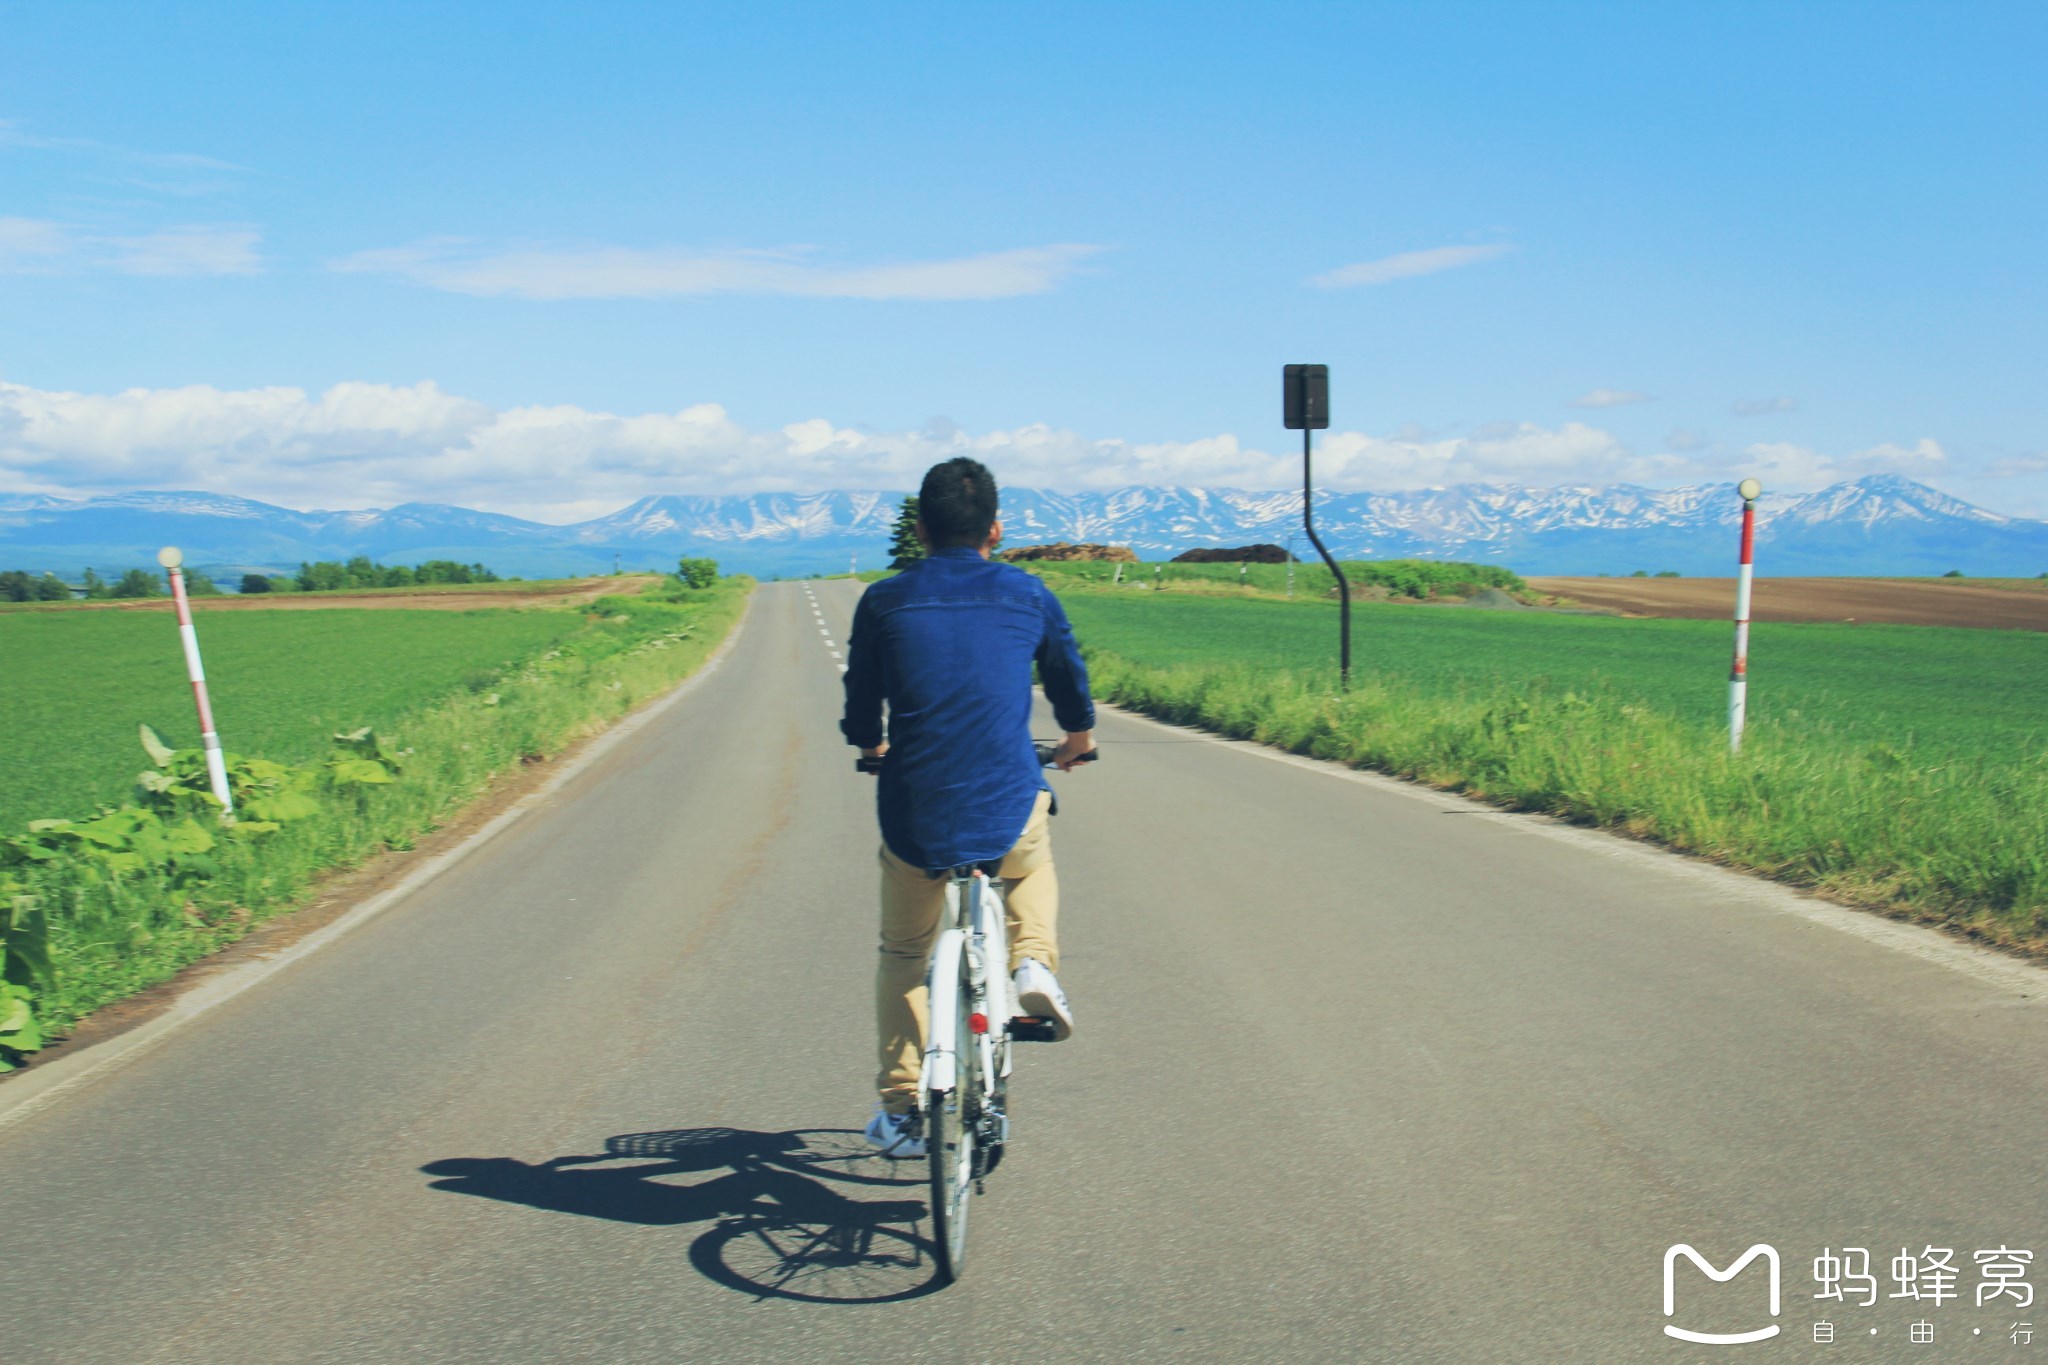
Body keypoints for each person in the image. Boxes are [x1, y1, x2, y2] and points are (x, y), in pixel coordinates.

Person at [841, 457, 1096, 1155]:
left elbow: (863, 698)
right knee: (1030, 862)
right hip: (1005, 799)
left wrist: (869, 744)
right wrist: (1078, 738)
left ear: (920, 529)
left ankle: (900, 1109)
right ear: (997, 529)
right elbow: (1067, 674)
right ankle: (1034, 963)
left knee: (904, 949)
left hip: (915, 813)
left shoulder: (884, 600)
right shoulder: (1028, 593)